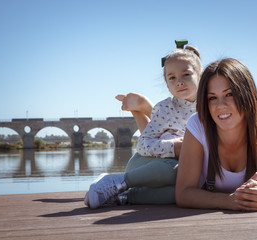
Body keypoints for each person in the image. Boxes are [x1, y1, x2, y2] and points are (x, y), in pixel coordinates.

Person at [175, 58, 257, 211]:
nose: (220, 106)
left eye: (229, 94)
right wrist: (229, 201)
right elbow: (183, 194)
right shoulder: (198, 124)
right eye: (212, 98)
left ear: (247, 94)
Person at [84, 41, 203, 209]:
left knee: (187, 190)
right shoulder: (165, 108)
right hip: (144, 164)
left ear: (200, 75)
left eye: (186, 74)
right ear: (166, 83)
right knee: (177, 169)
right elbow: (142, 145)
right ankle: (116, 181)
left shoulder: (209, 107)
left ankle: (122, 196)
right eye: (172, 78)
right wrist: (174, 148)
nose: (179, 82)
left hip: (185, 170)